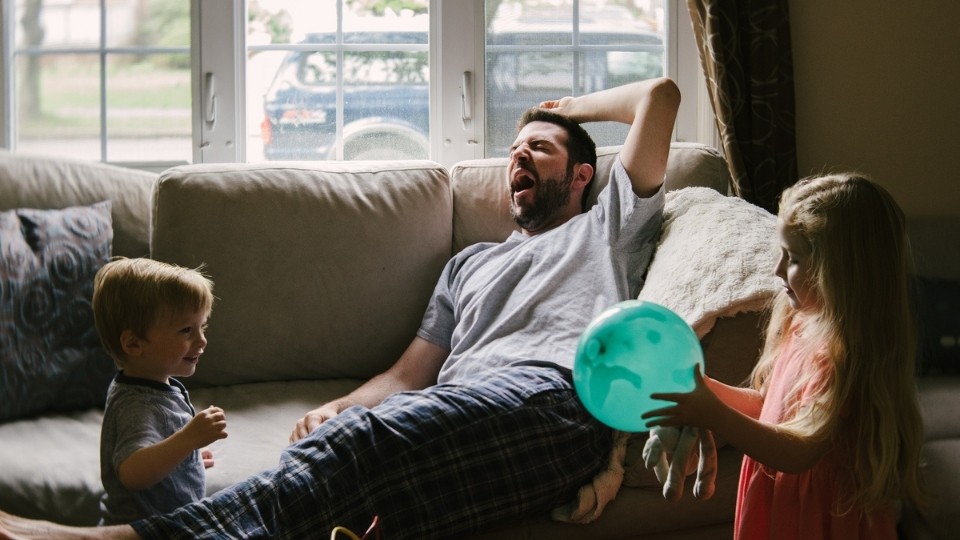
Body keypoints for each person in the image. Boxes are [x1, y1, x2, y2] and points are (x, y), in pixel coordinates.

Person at [0, 76, 680, 540]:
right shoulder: (468, 264)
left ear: (583, 174)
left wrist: (570, 110)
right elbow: (409, 378)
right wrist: (342, 406)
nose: (519, 156)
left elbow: (661, 93)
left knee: (359, 450)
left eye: (540, 147)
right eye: (513, 150)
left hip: (550, 401)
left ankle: (117, 538)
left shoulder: (608, 226)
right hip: (456, 416)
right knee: (345, 474)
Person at [642, 174, 926, 539]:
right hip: (782, 496)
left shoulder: (843, 354)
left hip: (820, 513)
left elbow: (799, 452)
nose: (777, 271)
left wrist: (710, 413)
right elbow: (767, 406)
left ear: (841, 271)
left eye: (792, 258)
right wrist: (705, 388)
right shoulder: (801, 323)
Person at [92, 257, 228, 524]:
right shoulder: (138, 405)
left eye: (203, 326)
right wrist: (187, 440)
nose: (202, 340)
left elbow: (156, 444)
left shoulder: (153, 383)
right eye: (186, 330)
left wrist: (185, 457)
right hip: (146, 529)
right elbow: (133, 472)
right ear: (133, 344)